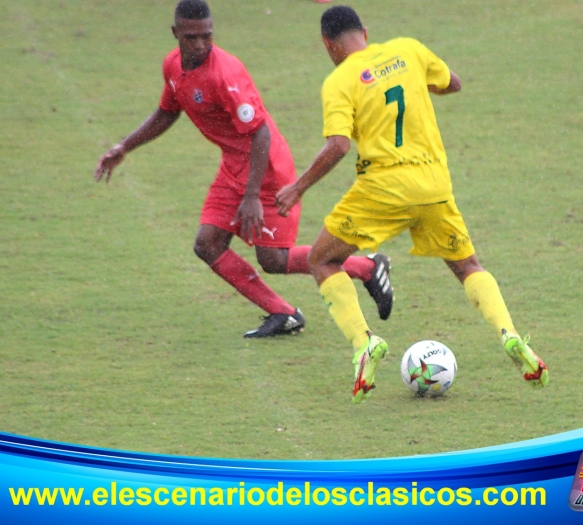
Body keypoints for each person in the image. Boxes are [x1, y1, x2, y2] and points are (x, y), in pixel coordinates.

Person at [277, 5, 549, 403]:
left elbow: (338, 145)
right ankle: (509, 333)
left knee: (322, 259)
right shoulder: (408, 49)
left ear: (328, 45)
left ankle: (364, 343)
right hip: (433, 185)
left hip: (382, 190)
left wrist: (298, 188)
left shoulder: (339, 81)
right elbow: (453, 84)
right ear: (365, 32)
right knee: (468, 266)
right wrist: (421, 82)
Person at [94, 0, 393, 338]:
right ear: (176, 33)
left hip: (266, 169)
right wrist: (124, 146)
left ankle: (367, 267)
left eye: (207, 36)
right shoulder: (173, 65)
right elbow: (168, 110)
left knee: (274, 259)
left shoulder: (225, 73)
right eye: (191, 37)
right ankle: (284, 314)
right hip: (234, 165)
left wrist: (251, 197)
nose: (200, 44)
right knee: (207, 244)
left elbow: (261, 132)